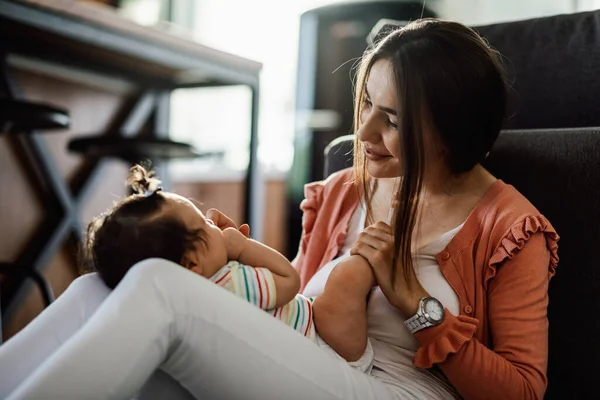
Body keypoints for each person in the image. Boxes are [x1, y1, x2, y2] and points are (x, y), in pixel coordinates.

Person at [0, 18, 559, 400]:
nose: (361, 132)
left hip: (395, 389)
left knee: (157, 287)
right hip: (309, 352)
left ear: (451, 130)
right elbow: (293, 294)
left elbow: (523, 390)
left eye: (392, 119)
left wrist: (413, 302)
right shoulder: (345, 189)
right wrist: (231, 262)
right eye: (366, 103)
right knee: (98, 288)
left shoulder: (511, 227)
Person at [78, 164, 376, 371]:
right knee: (348, 275)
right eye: (204, 224)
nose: (214, 220)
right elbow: (289, 280)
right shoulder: (232, 282)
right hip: (327, 345)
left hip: (304, 351)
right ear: (193, 263)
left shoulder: (196, 295)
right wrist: (243, 248)